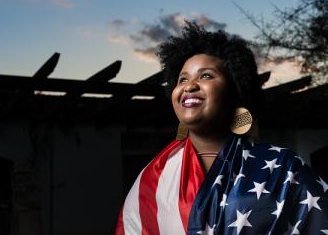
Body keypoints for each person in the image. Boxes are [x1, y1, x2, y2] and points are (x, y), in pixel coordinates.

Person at [115, 22, 328, 234]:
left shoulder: (284, 168)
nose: (189, 86)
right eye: (182, 79)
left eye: (205, 75)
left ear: (235, 92)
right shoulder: (153, 177)